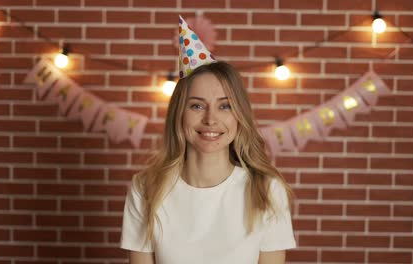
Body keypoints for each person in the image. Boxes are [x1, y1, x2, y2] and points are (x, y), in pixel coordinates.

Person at [120, 16, 296, 264]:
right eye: (196, 106)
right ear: (179, 114)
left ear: (239, 115)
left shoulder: (266, 190)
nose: (211, 119)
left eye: (224, 106)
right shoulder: (146, 188)